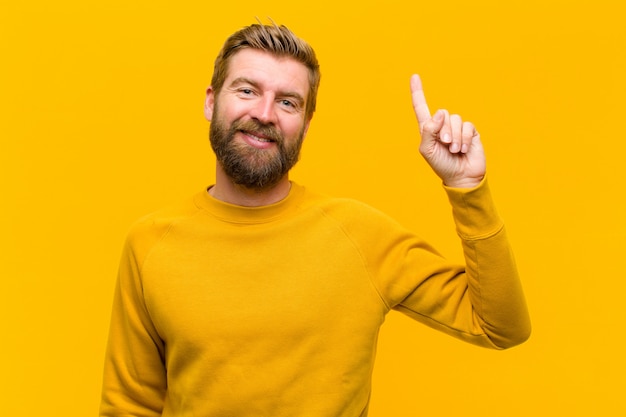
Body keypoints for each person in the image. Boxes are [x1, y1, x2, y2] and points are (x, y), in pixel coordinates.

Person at [100, 22, 531, 417]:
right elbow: (128, 406)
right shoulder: (150, 244)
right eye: (247, 91)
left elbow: (501, 326)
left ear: (305, 126)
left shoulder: (361, 236)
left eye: (287, 102)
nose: (265, 113)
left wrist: (467, 188)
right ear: (211, 102)